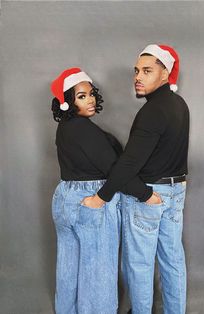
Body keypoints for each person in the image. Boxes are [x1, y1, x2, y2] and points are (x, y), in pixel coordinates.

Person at [83, 44, 190, 314]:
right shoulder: (179, 104)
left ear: (165, 74)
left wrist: (101, 196)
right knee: (172, 259)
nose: (138, 77)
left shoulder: (152, 111)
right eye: (136, 71)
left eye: (147, 71)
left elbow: (130, 162)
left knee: (140, 264)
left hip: (150, 195)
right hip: (176, 190)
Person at [50, 67, 146, 314]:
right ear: (68, 102)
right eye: (81, 96)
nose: (90, 100)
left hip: (64, 197)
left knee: (68, 270)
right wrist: (146, 194)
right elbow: (113, 169)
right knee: (98, 274)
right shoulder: (84, 129)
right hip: (91, 200)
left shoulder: (64, 129)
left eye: (91, 94)